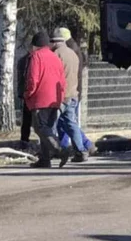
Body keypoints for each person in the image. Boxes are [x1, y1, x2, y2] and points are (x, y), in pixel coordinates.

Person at [24, 31, 66, 168]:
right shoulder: (55, 57)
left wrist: (28, 93)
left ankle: (59, 150)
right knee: (47, 129)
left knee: (40, 128)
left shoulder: (36, 57)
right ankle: (45, 159)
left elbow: (33, 79)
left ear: (35, 45)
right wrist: (60, 98)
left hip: (40, 99)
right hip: (55, 99)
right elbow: (62, 80)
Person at [51, 27, 89, 165]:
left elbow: (53, 75)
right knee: (71, 124)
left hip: (60, 96)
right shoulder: (73, 53)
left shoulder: (56, 54)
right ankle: (81, 151)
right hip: (73, 94)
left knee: (50, 124)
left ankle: (54, 150)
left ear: (55, 42)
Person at [16, 48, 32, 150]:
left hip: (26, 93)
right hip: (30, 94)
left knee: (26, 119)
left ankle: (24, 140)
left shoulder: (23, 60)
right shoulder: (30, 60)